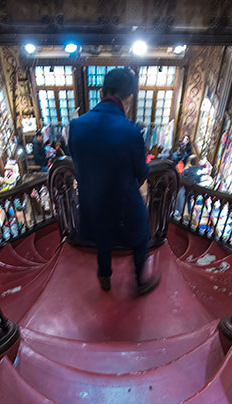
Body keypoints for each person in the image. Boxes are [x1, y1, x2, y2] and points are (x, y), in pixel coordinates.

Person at [69, 67, 160, 296]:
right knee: (141, 234)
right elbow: (141, 173)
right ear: (128, 97)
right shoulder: (131, 132)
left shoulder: (76, 126)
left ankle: (104, 275)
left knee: (103, 237)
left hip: (91, 201)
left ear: (101, 93)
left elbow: (78, 164)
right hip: (122, 201)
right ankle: (140, 280)